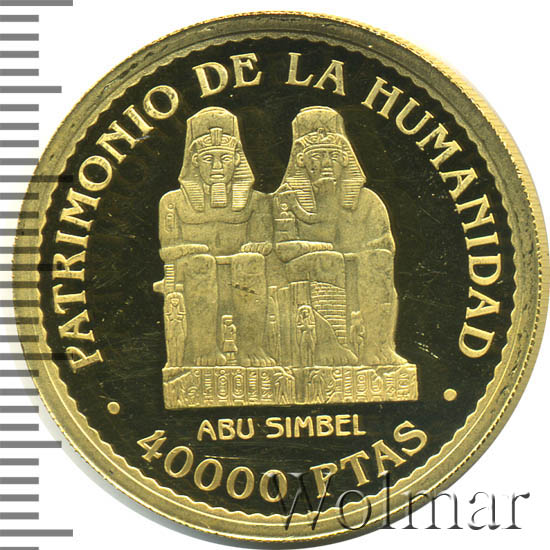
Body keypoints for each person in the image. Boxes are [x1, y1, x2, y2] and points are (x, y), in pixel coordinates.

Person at [275, 106, 406, 366]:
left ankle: (376, 347)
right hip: (306, 270)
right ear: (301, 160)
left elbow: (383, 247)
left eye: (332, 156)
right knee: (329, 260)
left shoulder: (368, 202)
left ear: (345, 159)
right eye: (317, 156)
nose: (326, 163)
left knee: (377, 262)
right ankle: (330, 342)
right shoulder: (286, 200)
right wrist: (321, 245)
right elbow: (282, 250)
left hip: (356, 270)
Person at [155, 107, 273, 367]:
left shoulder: (257, 201)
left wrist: (255, 247)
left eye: (225, 158)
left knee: (250, 261)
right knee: (202, 263)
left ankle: (251, 348)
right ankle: (204, 348)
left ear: (237, 160)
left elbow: (265, 244)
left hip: (239, 273)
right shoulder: (173, 202)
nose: (217, 167)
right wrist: (194, 250)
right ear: (195, 161)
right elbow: (167, 250)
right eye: (209, 159)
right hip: (195, 270)